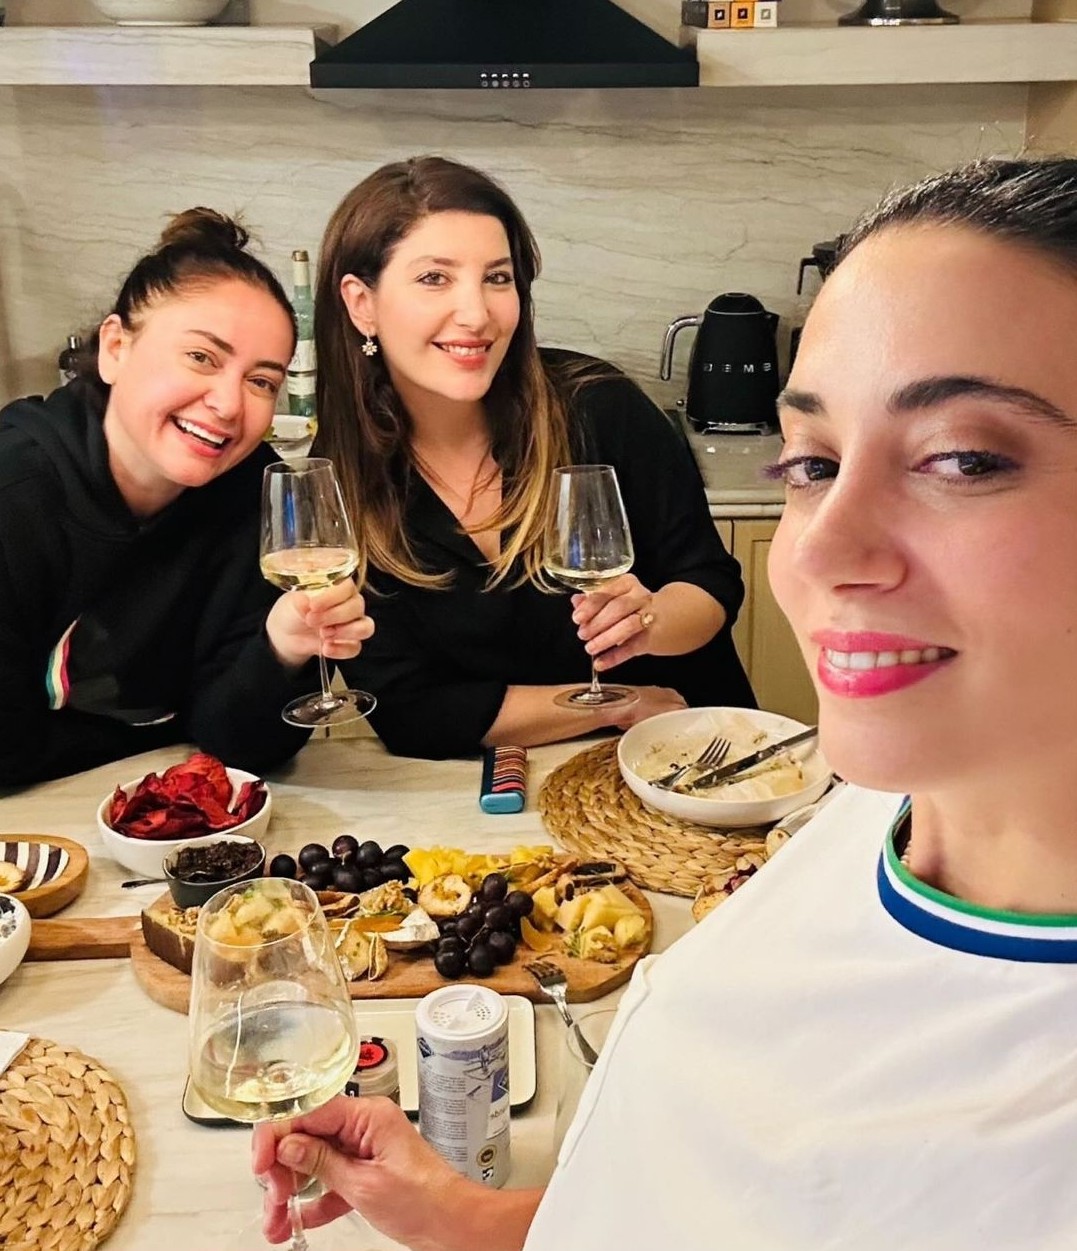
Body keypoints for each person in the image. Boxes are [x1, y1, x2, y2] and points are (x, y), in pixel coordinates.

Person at [252, 153, 1077, 1250]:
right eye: (811, 462)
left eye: (964, 459)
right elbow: (708, 1192)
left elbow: (706, 587)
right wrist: (465, 1215)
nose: (817, 551)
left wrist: (652, 639)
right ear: (359, 303)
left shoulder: (1028, 1138)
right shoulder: (859, 821)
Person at [310, 155, 755, 759]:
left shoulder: (598, 407)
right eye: (435, 278)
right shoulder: (344, 478)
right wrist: (613, 702)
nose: (477, 314)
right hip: (502, 788)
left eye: (498, 278)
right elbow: (410, 709)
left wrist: (650, 617)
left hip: (693, 758)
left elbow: (710, 585)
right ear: (362, 302)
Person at [0, 209, 373, 787]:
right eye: (201, 357)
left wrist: (281, 649)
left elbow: (241, 746)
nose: (228, 404)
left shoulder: (253, 492)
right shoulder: (17, 490)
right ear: (115, 348)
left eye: (261, 381)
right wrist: (170, 730)